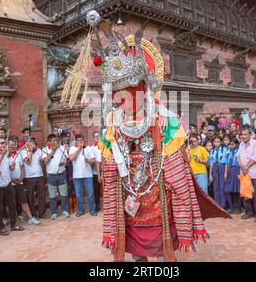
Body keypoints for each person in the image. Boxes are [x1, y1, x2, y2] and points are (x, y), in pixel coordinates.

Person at [79, 21, 228, 262]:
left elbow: (176, 168)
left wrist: (174, 185)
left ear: (143, 89)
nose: (123, 98)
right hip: (130, 198)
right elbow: (108, 164)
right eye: (119, 92)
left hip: (158, 195)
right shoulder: (113, 123)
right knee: (135, 248)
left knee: (161, 248)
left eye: (130, 90)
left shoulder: (163, 119)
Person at [0, 137, 23, 235]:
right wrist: (3, 154)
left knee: (12, 205)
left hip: (7, 184)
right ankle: (1, 227)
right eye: (2, 143)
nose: (4, 144)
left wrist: (11, 167)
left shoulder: (7, 154)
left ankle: (13, 225)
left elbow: (8, 168)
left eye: (5, 143)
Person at [8, 139, 39, 225]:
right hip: (10, 183)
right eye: (11, 145)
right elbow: (5, 171)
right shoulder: (5, 156)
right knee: (11, 203)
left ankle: (30, 218)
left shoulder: (18, 154)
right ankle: (12, 220)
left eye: (14, 145)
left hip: (20, 182)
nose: (13, 147)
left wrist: (21, 178)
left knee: (23, 201)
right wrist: (11, 179)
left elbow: (22, 168)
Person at [237, 127, 256, 222]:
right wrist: (243, 167)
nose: (243, 136)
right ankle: (248, 212)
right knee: (245, 193)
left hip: (254, 173)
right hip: (243, 173)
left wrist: (246, 167)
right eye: (242, 135)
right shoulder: (241, 144)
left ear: (250, 134)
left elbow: (255, 157)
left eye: (245, 134)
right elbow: (238, 156)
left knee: (255, 194)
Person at [42, 134, 70, 219]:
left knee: (64, 194)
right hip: (51, 175)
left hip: (62, 174)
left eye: (56, 140)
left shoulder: (62, 148)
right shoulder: (44, 150)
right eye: (53, 141)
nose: (56, 142)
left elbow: (67, 160)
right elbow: (45, 161)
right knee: (52, 195)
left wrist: (64, 162)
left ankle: (65, 211)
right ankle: (54, 212)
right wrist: (52, 151)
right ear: (49, 142)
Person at [69, 134, 97, 217]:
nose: (80, 142)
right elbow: (71, 158)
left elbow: (93, 160)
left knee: (90, 193)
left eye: (81, 140)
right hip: (77, 176)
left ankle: (92, 210)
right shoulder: (72, 148)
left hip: (88, 175)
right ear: (75, 141)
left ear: (83, 140)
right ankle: (81, 210)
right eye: (78, 141)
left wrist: (88, 160)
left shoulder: (88, 148)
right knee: (79, 194)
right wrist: (79, 149)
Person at [21, 138, 46, 219]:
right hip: (29, 177)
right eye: (29, 142)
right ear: (26, 144)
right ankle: (33, 214)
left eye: (33, 142)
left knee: (41, 195)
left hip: (39, 175)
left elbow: (43, 163)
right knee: (30, 197)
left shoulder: (39, 150)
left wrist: (42, 161)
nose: (32, 143)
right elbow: (28, 161)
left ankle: (42, 213)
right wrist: (30, 151)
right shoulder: (23, 151)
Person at [209, 137, 227, 208]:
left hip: (222, 167)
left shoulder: (224, 149)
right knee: (215, 187)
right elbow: (211, 163)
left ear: (221, 142)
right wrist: (210, 174)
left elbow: (226, 162)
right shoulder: (212, 151)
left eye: (218, 141)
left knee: (222, 187)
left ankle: (223, 204)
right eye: (215, 141)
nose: (217, 143)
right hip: (214, 168)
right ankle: (217, 204)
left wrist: (225, 173)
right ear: (213, 142)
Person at [224, 138, 241, 214]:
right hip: (230, 171)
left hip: (237, 170)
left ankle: (238, 208)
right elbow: (227, 163)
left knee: (237, 190)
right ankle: (231, 207)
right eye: (230, 144)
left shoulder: (239, 151)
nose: (231, 146)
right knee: (227, 190)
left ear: (237, 144)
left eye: (232, 144)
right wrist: (226, 172)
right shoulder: (229, 151)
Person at [89, 131, 102, 212]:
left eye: (98, 136)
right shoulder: (91, 148)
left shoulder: (105, 146)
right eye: (95, 136)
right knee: (96, 191)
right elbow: (93, 162)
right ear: (93, 138)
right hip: (95, 173)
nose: (97, 137)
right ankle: (97, 205)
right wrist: (98, 173)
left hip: (105, 171)